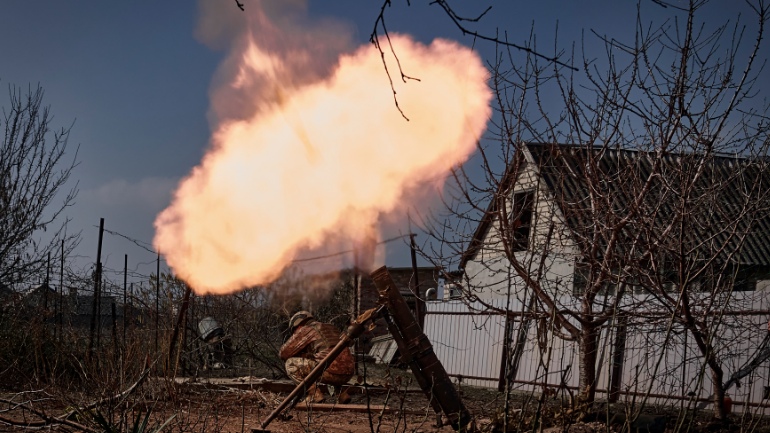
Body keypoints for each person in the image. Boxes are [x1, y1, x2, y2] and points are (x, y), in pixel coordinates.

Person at [279, 311, 354, 403]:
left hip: (329, 372)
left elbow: (284, 353)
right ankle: (342, 395)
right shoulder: (331, 327)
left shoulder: (306, 329)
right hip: (348, 373)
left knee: (290, 363)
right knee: (331, 361)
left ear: (298, 325)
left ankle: (314, 395)